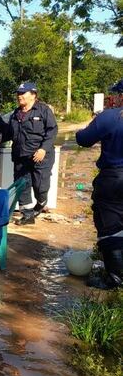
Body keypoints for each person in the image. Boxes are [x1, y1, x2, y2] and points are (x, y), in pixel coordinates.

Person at [0, 82, 57, 225]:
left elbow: (52, 131)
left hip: (40, 156)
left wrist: (43, 149)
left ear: (33, 95)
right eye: (18, 93)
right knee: (22, 186)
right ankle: (28, 215)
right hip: (20, 157)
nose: (19, 96)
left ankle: (41, 202)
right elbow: (10, 133)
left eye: (23, 93)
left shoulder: (43, 110)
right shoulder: (15, 113)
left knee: (40, 186)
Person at [75, 96, 123, 289]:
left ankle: (116, 278)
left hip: (114, 178)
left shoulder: (111, 117)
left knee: (110, 226)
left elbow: (83, 139)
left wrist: (92, 122)